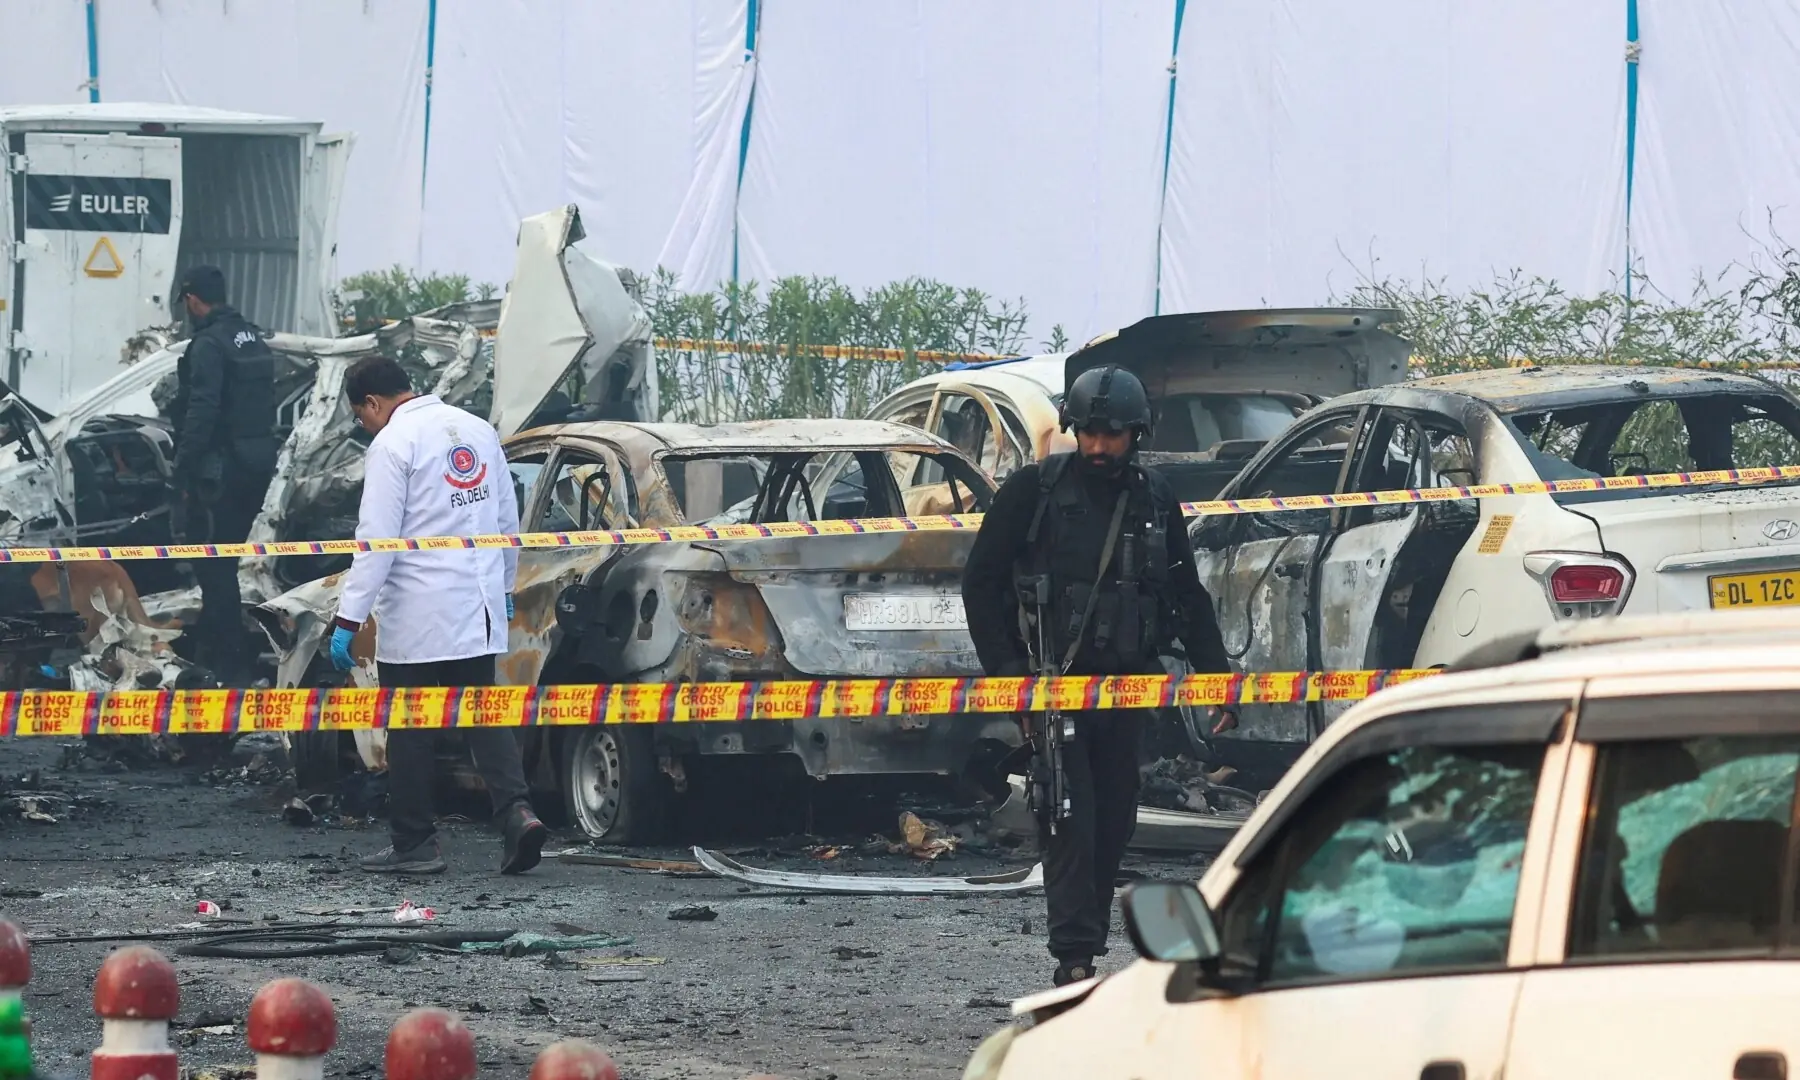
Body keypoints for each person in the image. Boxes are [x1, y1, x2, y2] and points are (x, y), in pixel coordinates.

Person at [961, 364, 1234, 987]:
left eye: (1112, 436)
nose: (1099, 447)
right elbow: (981, 586)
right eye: (1089, 434)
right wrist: (1010, 675)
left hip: (1128, 688)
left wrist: (1216, 677)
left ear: (1136, 436)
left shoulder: (1155, 498)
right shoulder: (1034, 492)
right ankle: (1075, 957)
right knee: (1067, 818)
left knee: (1114, 820)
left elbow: (1186, 595)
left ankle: (1086, 942)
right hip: (1054, 687)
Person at [327, 355, 548, 876]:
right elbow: (504, 521)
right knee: (483, 717)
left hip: (421, 612)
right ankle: (517, 814)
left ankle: (415, 844)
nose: (366, 426)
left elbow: (376, 542)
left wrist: (347, 618)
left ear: (374, 403)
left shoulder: (392, 444)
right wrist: (505, 585)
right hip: (479, 608)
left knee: (412, 727)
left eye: (362, 417)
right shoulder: (476, 430)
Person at [170, 265, 277, 686]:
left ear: (193, 300)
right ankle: (212, 656)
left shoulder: (209, 345)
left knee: (213, 567)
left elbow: (202, 410)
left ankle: (229, 668)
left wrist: (180, 470)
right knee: (224, 562)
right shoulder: (251, 338)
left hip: (221, 470)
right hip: (256, 462)